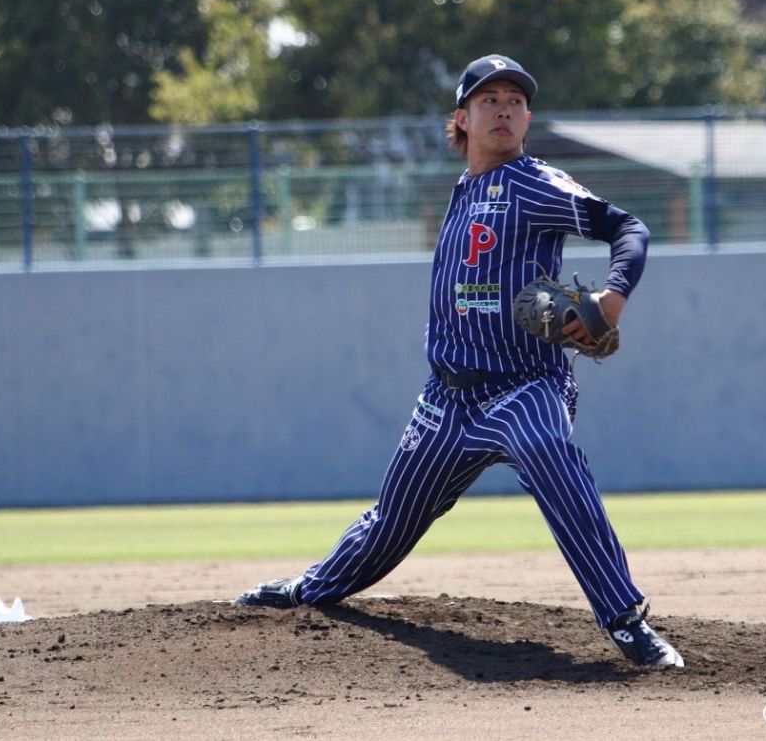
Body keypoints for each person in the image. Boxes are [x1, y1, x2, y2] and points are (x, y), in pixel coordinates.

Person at [234, 54, 683, 669]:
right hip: (446, 398)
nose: (504, 109)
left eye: (515, 101)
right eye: (488, 99)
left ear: (527, 120)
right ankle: (307, 589)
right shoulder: (464, 190)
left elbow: (628, 228)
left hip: (525, 383)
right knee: (391, 522)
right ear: (463, 119)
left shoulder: (536, 183)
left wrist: (612, 297)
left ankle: (625, 619)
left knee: (548, 450)